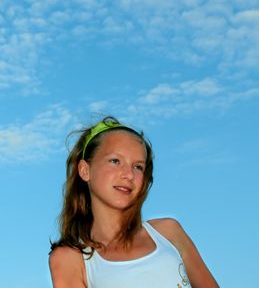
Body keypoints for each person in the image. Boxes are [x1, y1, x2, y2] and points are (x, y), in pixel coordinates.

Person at [49, 116, 218, 288]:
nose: (129, 175)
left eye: (138, 166)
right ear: (85, 170)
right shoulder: (70, 258)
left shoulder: (169, 233)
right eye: (115, 161)